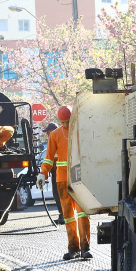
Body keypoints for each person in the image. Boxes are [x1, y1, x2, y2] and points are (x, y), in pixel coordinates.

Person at [38, 105, 91, 259]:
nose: (66, 125)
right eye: (63, 123)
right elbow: (48, 158)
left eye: (68, 121)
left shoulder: (81, 132)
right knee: (67, 216)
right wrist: (43, 173)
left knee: (83, 214)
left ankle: (85, 248)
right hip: (62, 179)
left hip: (79, 178)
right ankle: (73, 249)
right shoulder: (54, 135)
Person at [40, 122, 65, 224]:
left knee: (61, 195)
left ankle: (64, 215)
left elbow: (53, 157)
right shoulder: (53, 140)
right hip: (56, 173)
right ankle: (61, 214)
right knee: (56, 195)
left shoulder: (58, 139)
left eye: (48, 132)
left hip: (61, 173)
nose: (47, 134)